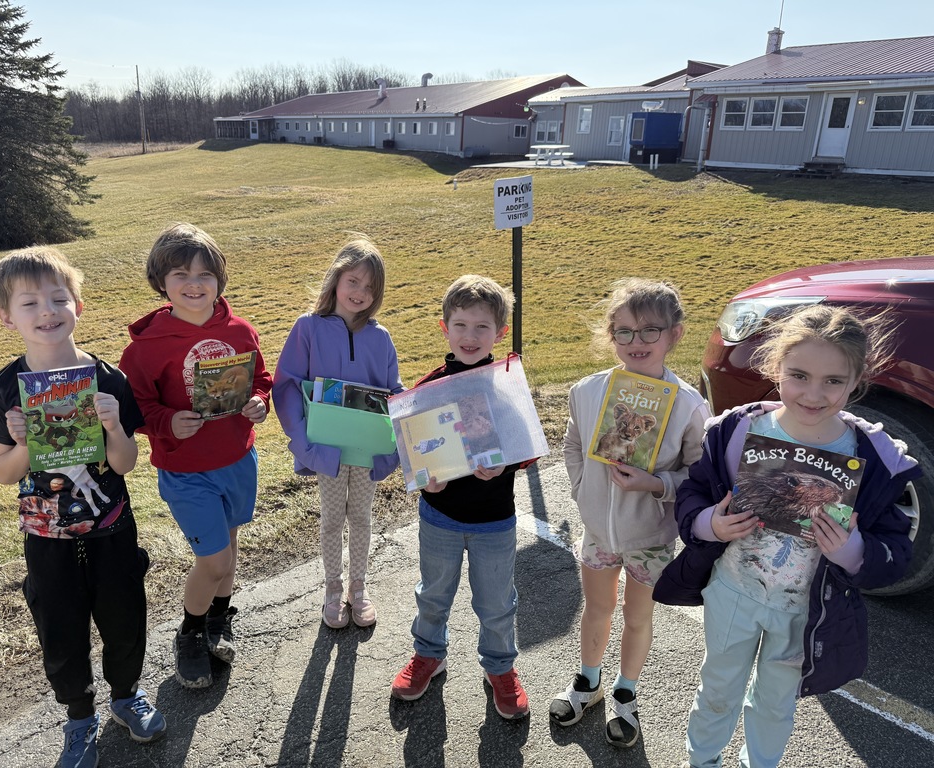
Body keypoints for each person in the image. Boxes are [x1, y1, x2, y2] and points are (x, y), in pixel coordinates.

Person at [654, 304, 920, 768]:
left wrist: (853, 550)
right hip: (733, 592)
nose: (814, 394)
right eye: (798, 375)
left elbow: (896, 551)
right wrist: (708, 525)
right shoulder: (737, 430)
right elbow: (694, 491)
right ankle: (702, 760)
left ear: (857, 381)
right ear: (775, 368)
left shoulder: (874, 458)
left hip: (806, 610)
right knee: (719, 687)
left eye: (833, 381)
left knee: (776, 702)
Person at [0, 247, 165, 768]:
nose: (47, 311)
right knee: (59, 625)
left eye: (58, 298)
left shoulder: (106, 380)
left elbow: (126, 464)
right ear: (7, 317)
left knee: (124, 617)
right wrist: (28, 441)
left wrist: (115, 427)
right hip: (46, 535)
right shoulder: (3, 389)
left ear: (78, 304)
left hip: (111, 525)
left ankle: (125, 696)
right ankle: (79, 717)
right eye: (29, 303)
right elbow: (4, 472)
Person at [549, 278, 709, 747]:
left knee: (638, 618)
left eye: (649, 332)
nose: (635, 343)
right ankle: (589, 681)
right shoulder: (588, 390)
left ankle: (626, 692)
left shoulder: (688, 405)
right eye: (623, 332)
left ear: (675, 334)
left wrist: (656, 484)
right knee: (597, 609)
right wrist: (582, 491)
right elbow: (574, 443)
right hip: (598, 531)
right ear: (610, 334)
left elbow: (701, 475)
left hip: (651, 538)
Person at [119, 223, 273, 690]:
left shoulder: (240, 330)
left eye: (206, 274)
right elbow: (135, 408)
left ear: (219, 280)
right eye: (181, 273)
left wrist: (259, 402)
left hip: (237, 459)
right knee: (213, 561)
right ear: (161, 281)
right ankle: (189, 632)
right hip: (186, 469)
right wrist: (166, 421)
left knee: (228, 548)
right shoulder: (145, 348)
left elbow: (261, 378)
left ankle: (218, 619)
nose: (194, 283)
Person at [390, 274, 532, 720]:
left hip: (495, 519)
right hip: (440, 516)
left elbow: (525, 448)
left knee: (496, 603)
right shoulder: (429, 387)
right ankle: (429, 653)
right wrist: (425, 479)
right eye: (461, 325)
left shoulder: (506, 383)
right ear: (444, 328)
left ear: (500, 332)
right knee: (433, 594)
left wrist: (505, 465)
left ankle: (500, 668)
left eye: (482, 327)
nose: (470, 336)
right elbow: (413, 453)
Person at [273, 236, 403, 628]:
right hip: (326, 450)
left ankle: (358, 589)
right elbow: (287, 386)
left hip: (364, 453)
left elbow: (393, 392)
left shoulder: (380, 338)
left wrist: (395, 445)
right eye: (353, 282)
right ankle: (332, 589)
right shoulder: (307, 328)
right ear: (336, 280)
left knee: (361, 518)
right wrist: (304, 444)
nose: (360, 293)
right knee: (331, 519)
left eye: (369, 287)